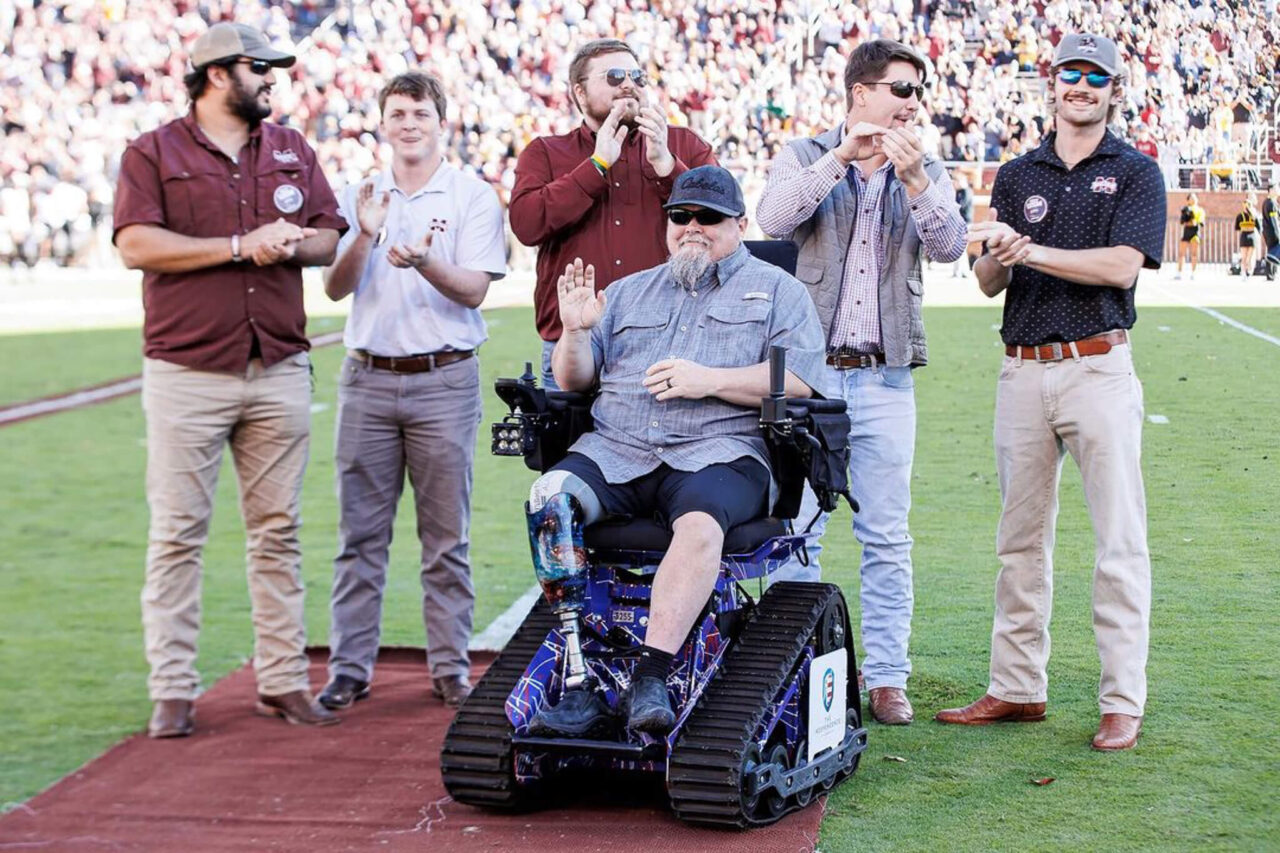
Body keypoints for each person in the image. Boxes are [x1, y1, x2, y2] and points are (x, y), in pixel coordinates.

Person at [526, 166, 827, 735]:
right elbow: (572, 381)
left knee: (699, 525)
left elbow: (801, 380)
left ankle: (651, 675)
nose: (693, 227)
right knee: (548, 497)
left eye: (708, 218)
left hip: (720, 450)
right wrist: (574, 332)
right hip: (618, 446)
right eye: (680, 217)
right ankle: (577, 677)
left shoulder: (779, 291)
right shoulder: (626, 291)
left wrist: (707, 379)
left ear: (739, 224)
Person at [112, 22, 346, 737]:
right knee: (179, 533)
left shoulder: (291, 148)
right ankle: (173, 689)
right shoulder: (152, 151)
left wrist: (295, 243)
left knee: (279, 532)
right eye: (260, 67)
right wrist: (242, 247)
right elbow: (135, 243)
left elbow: (329, 234)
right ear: (218, 74)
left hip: (276, 362)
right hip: (187, 368)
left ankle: (281, 679)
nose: (272, 78)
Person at [935, 33, 1166, 752]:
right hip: (1022, 367)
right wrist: (998, 256)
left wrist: (1029, 249)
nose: (1083, 85)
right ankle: (1017, 686)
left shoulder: (1136, 170)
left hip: (1098, 366)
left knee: (1118, 542)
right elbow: (986, 281)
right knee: (1019, 542)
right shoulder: (1017, 172)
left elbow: (1123, 266)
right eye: (1073, 73)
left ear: (1114, 90)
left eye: (1097, 76)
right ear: (1052, 83)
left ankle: (1122, 698)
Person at [756, 38, 968, 726]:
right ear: (861, 93)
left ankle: (886, 677)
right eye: (903, 89)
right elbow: (774, 218)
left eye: (920, 90)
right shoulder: (807, 152)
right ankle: (792, 663)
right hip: (809, 381)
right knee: (798, 529)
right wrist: (840, 157)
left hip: (885, 378)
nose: (915, 102)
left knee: (886, 533)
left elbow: (951, 245)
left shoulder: (925, 167)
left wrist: (915, 184)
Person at [316, 72, 507, 712]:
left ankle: (450, 667)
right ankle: (348, 668)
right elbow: (335, 289)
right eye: (397, 112)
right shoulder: (359, 193)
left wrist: (425, 261)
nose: (408, 123)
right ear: (382, 122)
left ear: (440, 121)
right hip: (368, 376)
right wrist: (366, 232)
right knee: (359, 535)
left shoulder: (473, 195)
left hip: (444, 378)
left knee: (444, 537)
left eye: (419, 112)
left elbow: (476, 289)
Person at [508, 38, 716, 389]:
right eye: (614, 76)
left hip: (668, 341)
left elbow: (720, 220)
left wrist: (667, 165)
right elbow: (527, 225)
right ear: (580, 92)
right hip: (574, 343)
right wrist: (596, 166)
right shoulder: (545, 152)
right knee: (569, 445)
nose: (629, 84)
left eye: (637, 75)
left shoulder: (685, 145)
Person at [1175, 193, 1204, 280]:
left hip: (1195, 232)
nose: (1193, 199)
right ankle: (1179, 272)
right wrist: (1186, 217)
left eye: (1194, 198)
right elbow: (1182, 222)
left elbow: (1201, 222)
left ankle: (1193, 273)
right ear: (1188, 200)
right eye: (1191, 198)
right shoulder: (1185, 209)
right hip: (1186, 232)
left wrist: (1195, 219)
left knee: (1194, 254)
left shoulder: (1200, 210)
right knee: (1181, 254)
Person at [1234, 192, 1260, 280]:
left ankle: (1249, 270)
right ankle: (1243, 272)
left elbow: (1258, 226)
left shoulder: (1254, 215)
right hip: (1244, 235)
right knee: (1244, 256)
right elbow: (1237, 227)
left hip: (1252, 235)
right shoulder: (1239, 216)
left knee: (1249, 256)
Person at [1261, 185, 1280, 282]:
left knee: (1272, 251)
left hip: (1269, 231)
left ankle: (1272, 273)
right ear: (1271, 191)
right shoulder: (1271, 203)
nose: (1278, 191)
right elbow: (1274, 220)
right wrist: (1277, 234)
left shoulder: (1271, 202)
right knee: (1273, 252)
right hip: (1272, 232)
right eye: (1276, 189)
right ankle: (1271, 274)